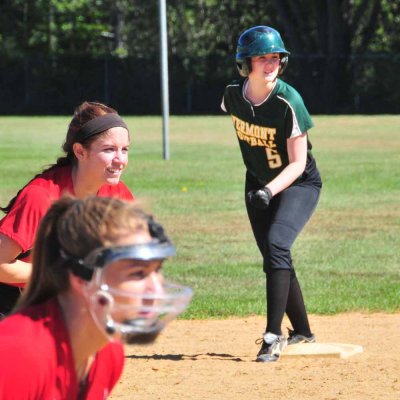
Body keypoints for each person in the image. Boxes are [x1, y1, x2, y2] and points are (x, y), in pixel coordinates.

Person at [0, 195, 192, 398]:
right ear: (80, 278)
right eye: (138, 273)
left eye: (157, 270)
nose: (157, 289)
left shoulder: (105, 353)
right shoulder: (16, 356)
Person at [221, 26, 322, 362]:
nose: (271, 63)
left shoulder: (288, 101)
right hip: (258, 183)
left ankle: (273, 335)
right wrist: (260, 185)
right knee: (274, 255)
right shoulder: (232, 96)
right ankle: (304, 332)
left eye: (275, 56)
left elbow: (297, 163)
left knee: (278, 244)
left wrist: (268, 189)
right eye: (262, 57)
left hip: (298, 184)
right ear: (245, 63)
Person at [0, 101, 134, 316]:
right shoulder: (41, 197)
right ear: (80, 152)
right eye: (109, 149)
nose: (120, 160)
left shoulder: (117, 196)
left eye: (125, 149)